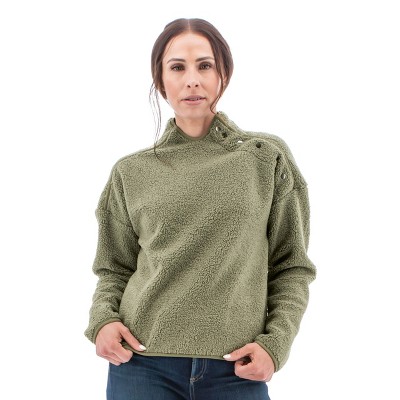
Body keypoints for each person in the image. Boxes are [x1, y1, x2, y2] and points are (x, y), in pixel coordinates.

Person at [84, 17, 317, 400]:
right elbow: (114, 268)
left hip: (236, 368)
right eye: (177, 67)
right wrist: (103, 321)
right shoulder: (130, 172)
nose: (192, 80)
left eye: (204, 66)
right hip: (142, 365)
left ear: (223, 74)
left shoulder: (265, 158)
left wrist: (276, 344)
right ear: (161, 80)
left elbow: (291, 266)